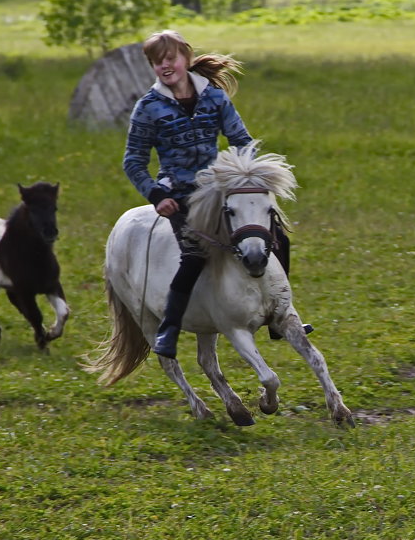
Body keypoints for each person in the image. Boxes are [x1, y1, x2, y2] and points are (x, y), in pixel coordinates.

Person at [122, 29, 310, 358]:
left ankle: (279, 316)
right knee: (194, 255)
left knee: (277, 234)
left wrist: (248, 176)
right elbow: (134, 162)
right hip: (179, 195)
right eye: (156, 62)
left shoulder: (215, 98)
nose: (164, 66)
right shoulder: (148, 108)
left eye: (171, 58)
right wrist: (155, 195)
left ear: (186, 59)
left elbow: (241, 140)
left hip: (218, 189)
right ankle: (169, 329)